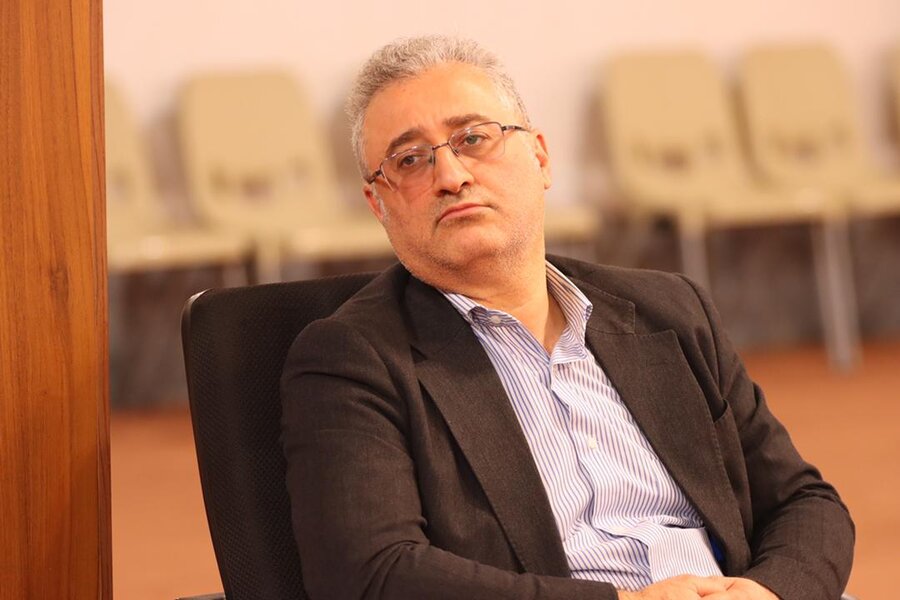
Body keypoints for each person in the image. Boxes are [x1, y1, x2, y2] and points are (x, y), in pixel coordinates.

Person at [280, 36, 854, 600]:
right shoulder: (353, 359)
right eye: (409, 160)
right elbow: (370, 574)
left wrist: (766, 592)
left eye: (473, 138)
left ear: (540, 157)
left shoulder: (671, 311)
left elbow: (802, 501)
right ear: (378, 205)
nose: (451, 176)